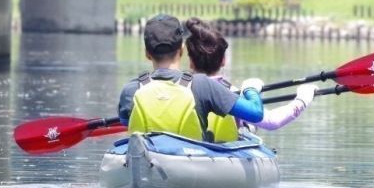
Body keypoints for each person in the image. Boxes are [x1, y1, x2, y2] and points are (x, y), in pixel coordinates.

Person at [117, 14, 263, 140]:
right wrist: (251, 88)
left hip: (147, 161)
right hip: (193, 163)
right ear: (181, 50)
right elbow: (256, 113)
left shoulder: (130, 90)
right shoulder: (202, 85)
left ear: (147, 53)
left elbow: (127, 123)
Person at [184, 17, 315, 142]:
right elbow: (272, 121)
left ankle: (247, 126)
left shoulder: (180, 87)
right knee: (248, 125)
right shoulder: (230, 92)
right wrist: (302, 100)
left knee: (248, 126)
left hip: (186, 150)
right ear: (223, 61)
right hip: (222, 152)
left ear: (191, 62)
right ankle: (246, 126)